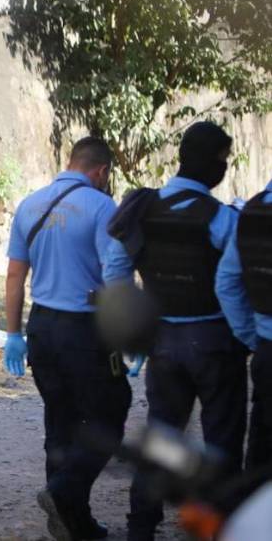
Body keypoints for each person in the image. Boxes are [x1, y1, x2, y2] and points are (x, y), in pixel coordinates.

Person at [104, 121, 247, 541]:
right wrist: (244, 335)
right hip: (216, 345)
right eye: (223, 160)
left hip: (163, 345)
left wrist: (137, 329)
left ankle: (141, 527)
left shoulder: (141, 209)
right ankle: (215, 527)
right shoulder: (222, 219)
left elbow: (115, 272)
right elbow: (232, 283)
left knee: (162, 439)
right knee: (222, 443)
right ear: (215, 164)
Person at [4, 136, 131, 541]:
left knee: (59, 420)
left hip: (41, 328)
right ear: (101, 171)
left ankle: (71, 523)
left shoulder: (29, 204)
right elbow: (114, 274)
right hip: (85, 330)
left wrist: (13, 334)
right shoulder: (100, 205)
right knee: (110, 415)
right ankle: (63, 493)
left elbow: (14, 276)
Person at [216, 175, 272, 469]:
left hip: (266, 349)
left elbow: (226, 283)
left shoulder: (251, 212)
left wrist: (252, 337)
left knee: (262, 445)